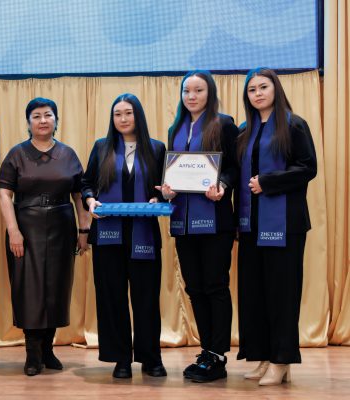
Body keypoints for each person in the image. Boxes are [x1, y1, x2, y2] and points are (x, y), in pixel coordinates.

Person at [0, 98, 90, 376]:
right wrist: (13, 230)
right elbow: (4, 194)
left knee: (56, 288)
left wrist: (84, 230)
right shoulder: (17, 154)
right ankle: (32, 353)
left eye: (48, 115)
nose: (42, 120)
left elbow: (79, 195)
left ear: (56, 120)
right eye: (36, 116)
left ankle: (48, 350)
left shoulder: (68, 154)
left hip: (62, 226)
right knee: (30, 289)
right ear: (28, 122)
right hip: (26, 227)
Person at [236, 67, 316, 386]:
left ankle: (282, 360)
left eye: (263, 87)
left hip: (286, 225)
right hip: (251, 225)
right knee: (255, 294)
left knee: (282, 294)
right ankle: (265, 356)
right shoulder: (245, 130)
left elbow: (307, 168)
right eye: (252, 89)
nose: (257, 93)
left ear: (275, 89)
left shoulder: (294, 125)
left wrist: (268, 182)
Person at [157, 70, 238, 383]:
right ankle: (207, 351)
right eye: (186, 91)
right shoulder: (175, 128)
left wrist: (223, 185)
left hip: (216, 221)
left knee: (215, 286)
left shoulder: (224, 123)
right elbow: (173, 172)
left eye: (198, 90)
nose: (191, 96)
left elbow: (234, 168)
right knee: (194, 288)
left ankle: (218, 355)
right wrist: (167, 189)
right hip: (184, 222)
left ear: (210, 93)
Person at [82, 93, 166, 379]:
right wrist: (90, 200)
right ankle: (121, 359)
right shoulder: (101, 147)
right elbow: (86, 183)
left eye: (128, 113)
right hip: (108, 236)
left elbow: (164, 187)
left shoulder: (156, 148)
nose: (123, 118)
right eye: (117, 114)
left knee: (146, 298)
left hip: (144, 233)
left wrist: (158, 198)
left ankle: (151, 358)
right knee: (112, 298)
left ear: (137, 115)